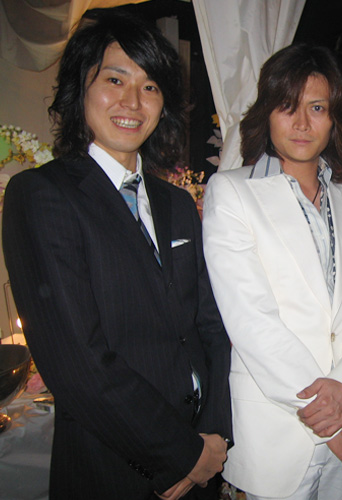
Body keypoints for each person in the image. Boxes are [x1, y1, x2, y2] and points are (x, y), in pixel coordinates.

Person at [2, 9, 232, 500]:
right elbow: (79, 365)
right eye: (114, 79)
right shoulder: (42, 195)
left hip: (201, 457)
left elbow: (211, 328)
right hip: (114, 468)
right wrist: (181, 455)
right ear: (79, 88)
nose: (133, 101)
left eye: (150, 86)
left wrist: (214, 437)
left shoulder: (176, 203)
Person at [202, 44, 342, 500]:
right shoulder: (231, 192)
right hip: (278, 425)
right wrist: (333, 421)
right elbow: (250, 319)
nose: (303, 123)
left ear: (335, 118)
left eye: (317, 108)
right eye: (288, 106)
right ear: (267, 113)